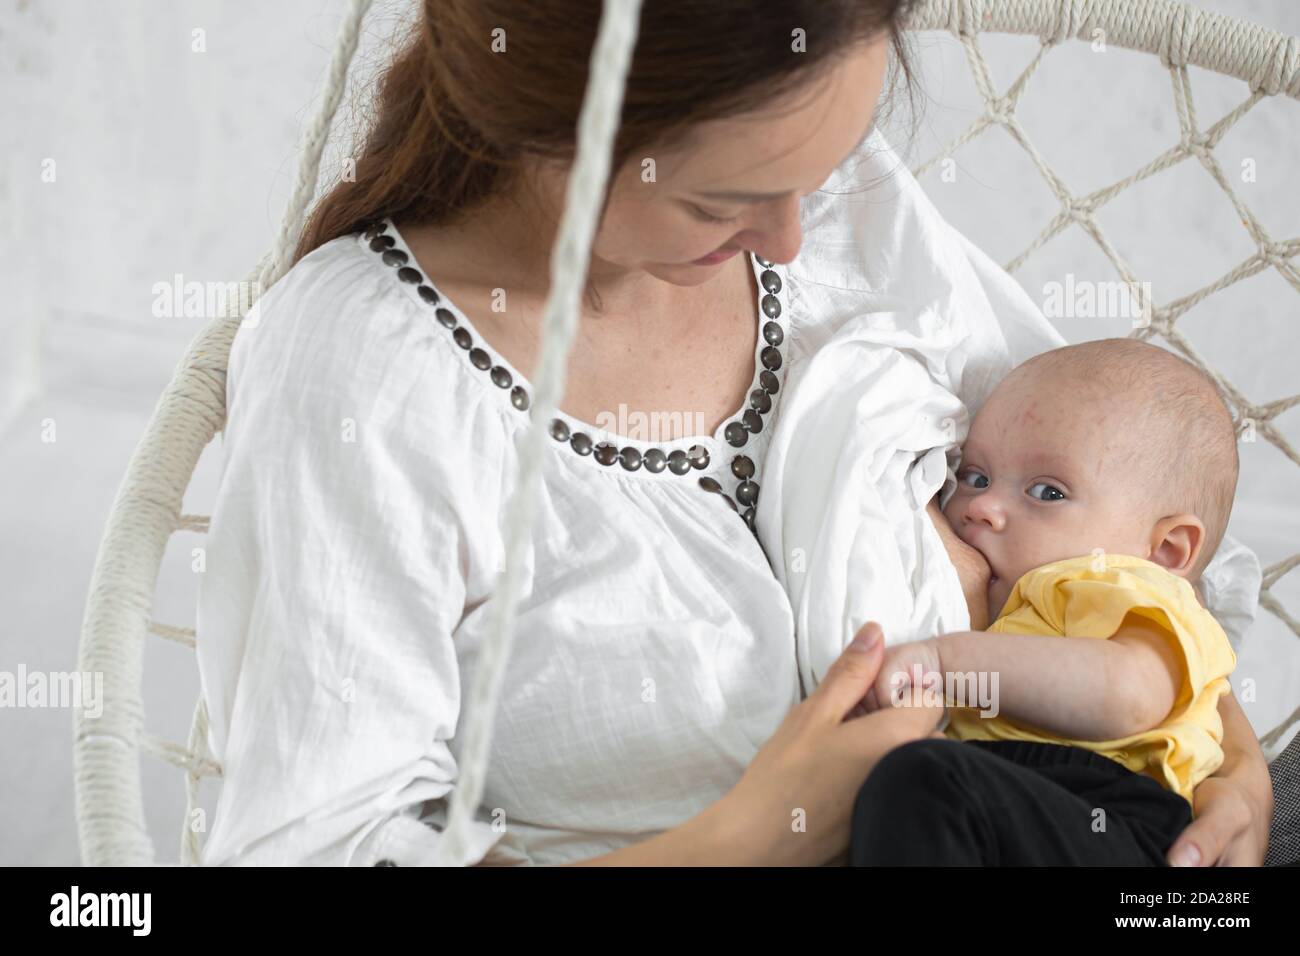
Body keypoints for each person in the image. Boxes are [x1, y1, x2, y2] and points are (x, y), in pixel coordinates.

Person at [194, 0, 1271, 866]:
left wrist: (1228, 766)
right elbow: (321, 839)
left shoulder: (827, 194)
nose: (791, 240)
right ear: (555, 129)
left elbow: (1125, 508)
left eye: (814, 175)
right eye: (722, 204)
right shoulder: (367, 374)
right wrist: (746, 833)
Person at [849, 339, 1240, 864]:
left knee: (925, 779)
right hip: (1020, 804)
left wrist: (946, 662)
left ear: (1166, 550)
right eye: (975, 476)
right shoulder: (1010, 606)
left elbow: (1127, 695)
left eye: (1047, 492)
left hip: (1118, 815)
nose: (982, 506)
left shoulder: (1131, 587)